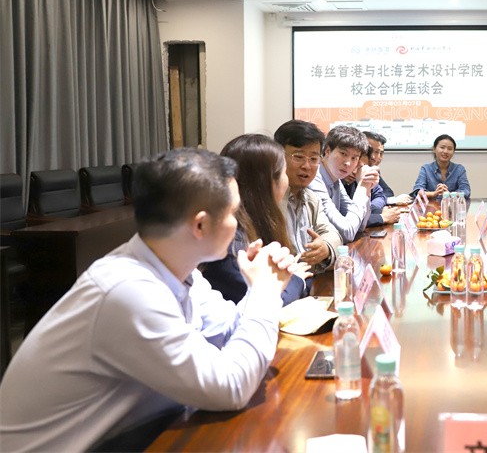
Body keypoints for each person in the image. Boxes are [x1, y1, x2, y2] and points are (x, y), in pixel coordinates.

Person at [0, 148, 302, 451]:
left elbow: (225, 331)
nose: (238, 223)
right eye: (233, 213)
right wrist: (263, 293)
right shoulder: (129, 291)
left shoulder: (179, 269)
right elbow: (230, 387)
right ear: (200, 225)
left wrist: (262, 286)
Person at [202, 134, 312, 304]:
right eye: (284, 173)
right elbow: (270, 303)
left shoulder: (257, 222)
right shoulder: (231, 244)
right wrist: (296, 280)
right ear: (266, 183)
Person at [273, 120, 342, 273]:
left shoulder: (311, 198)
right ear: (277, 156)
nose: (306, 166)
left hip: (307, 281)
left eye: (314, 159)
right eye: (298, 157)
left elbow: (333, 234)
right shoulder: (270, 199)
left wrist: (325, 248)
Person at [308, 125, 379, 243]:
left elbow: (360, 226)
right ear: (327, 151)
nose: (348, 163)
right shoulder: (314, 178)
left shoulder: (335, 179)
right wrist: (362, 187)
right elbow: (346, 232)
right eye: (343, 154)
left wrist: (367, 186)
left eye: (354, 158)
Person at [342, 146, 399, 228]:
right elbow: (348, 220)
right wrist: (381, 217)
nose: (355, 171)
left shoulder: (363, 173)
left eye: (361, 167)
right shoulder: (337, 182)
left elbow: (380, 194)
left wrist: (373, 210)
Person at [412, 134, 471, 199]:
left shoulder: (459, 169)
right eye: (442, 147)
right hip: (431, 205)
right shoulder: (426, 169)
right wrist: (434, 194)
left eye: (449, 149)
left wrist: (450, 194)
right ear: (434, 149)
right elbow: (417, 191)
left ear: (453, 152)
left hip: (451, 205)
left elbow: (466, 191)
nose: (445, 151)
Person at [364, 130, 412, 207]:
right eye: (369, 151)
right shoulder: (350, 172)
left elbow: (387, 192)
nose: (374, 157)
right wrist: (389, 200)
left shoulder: (373, 170)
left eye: (379, 153)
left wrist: (389, 200)